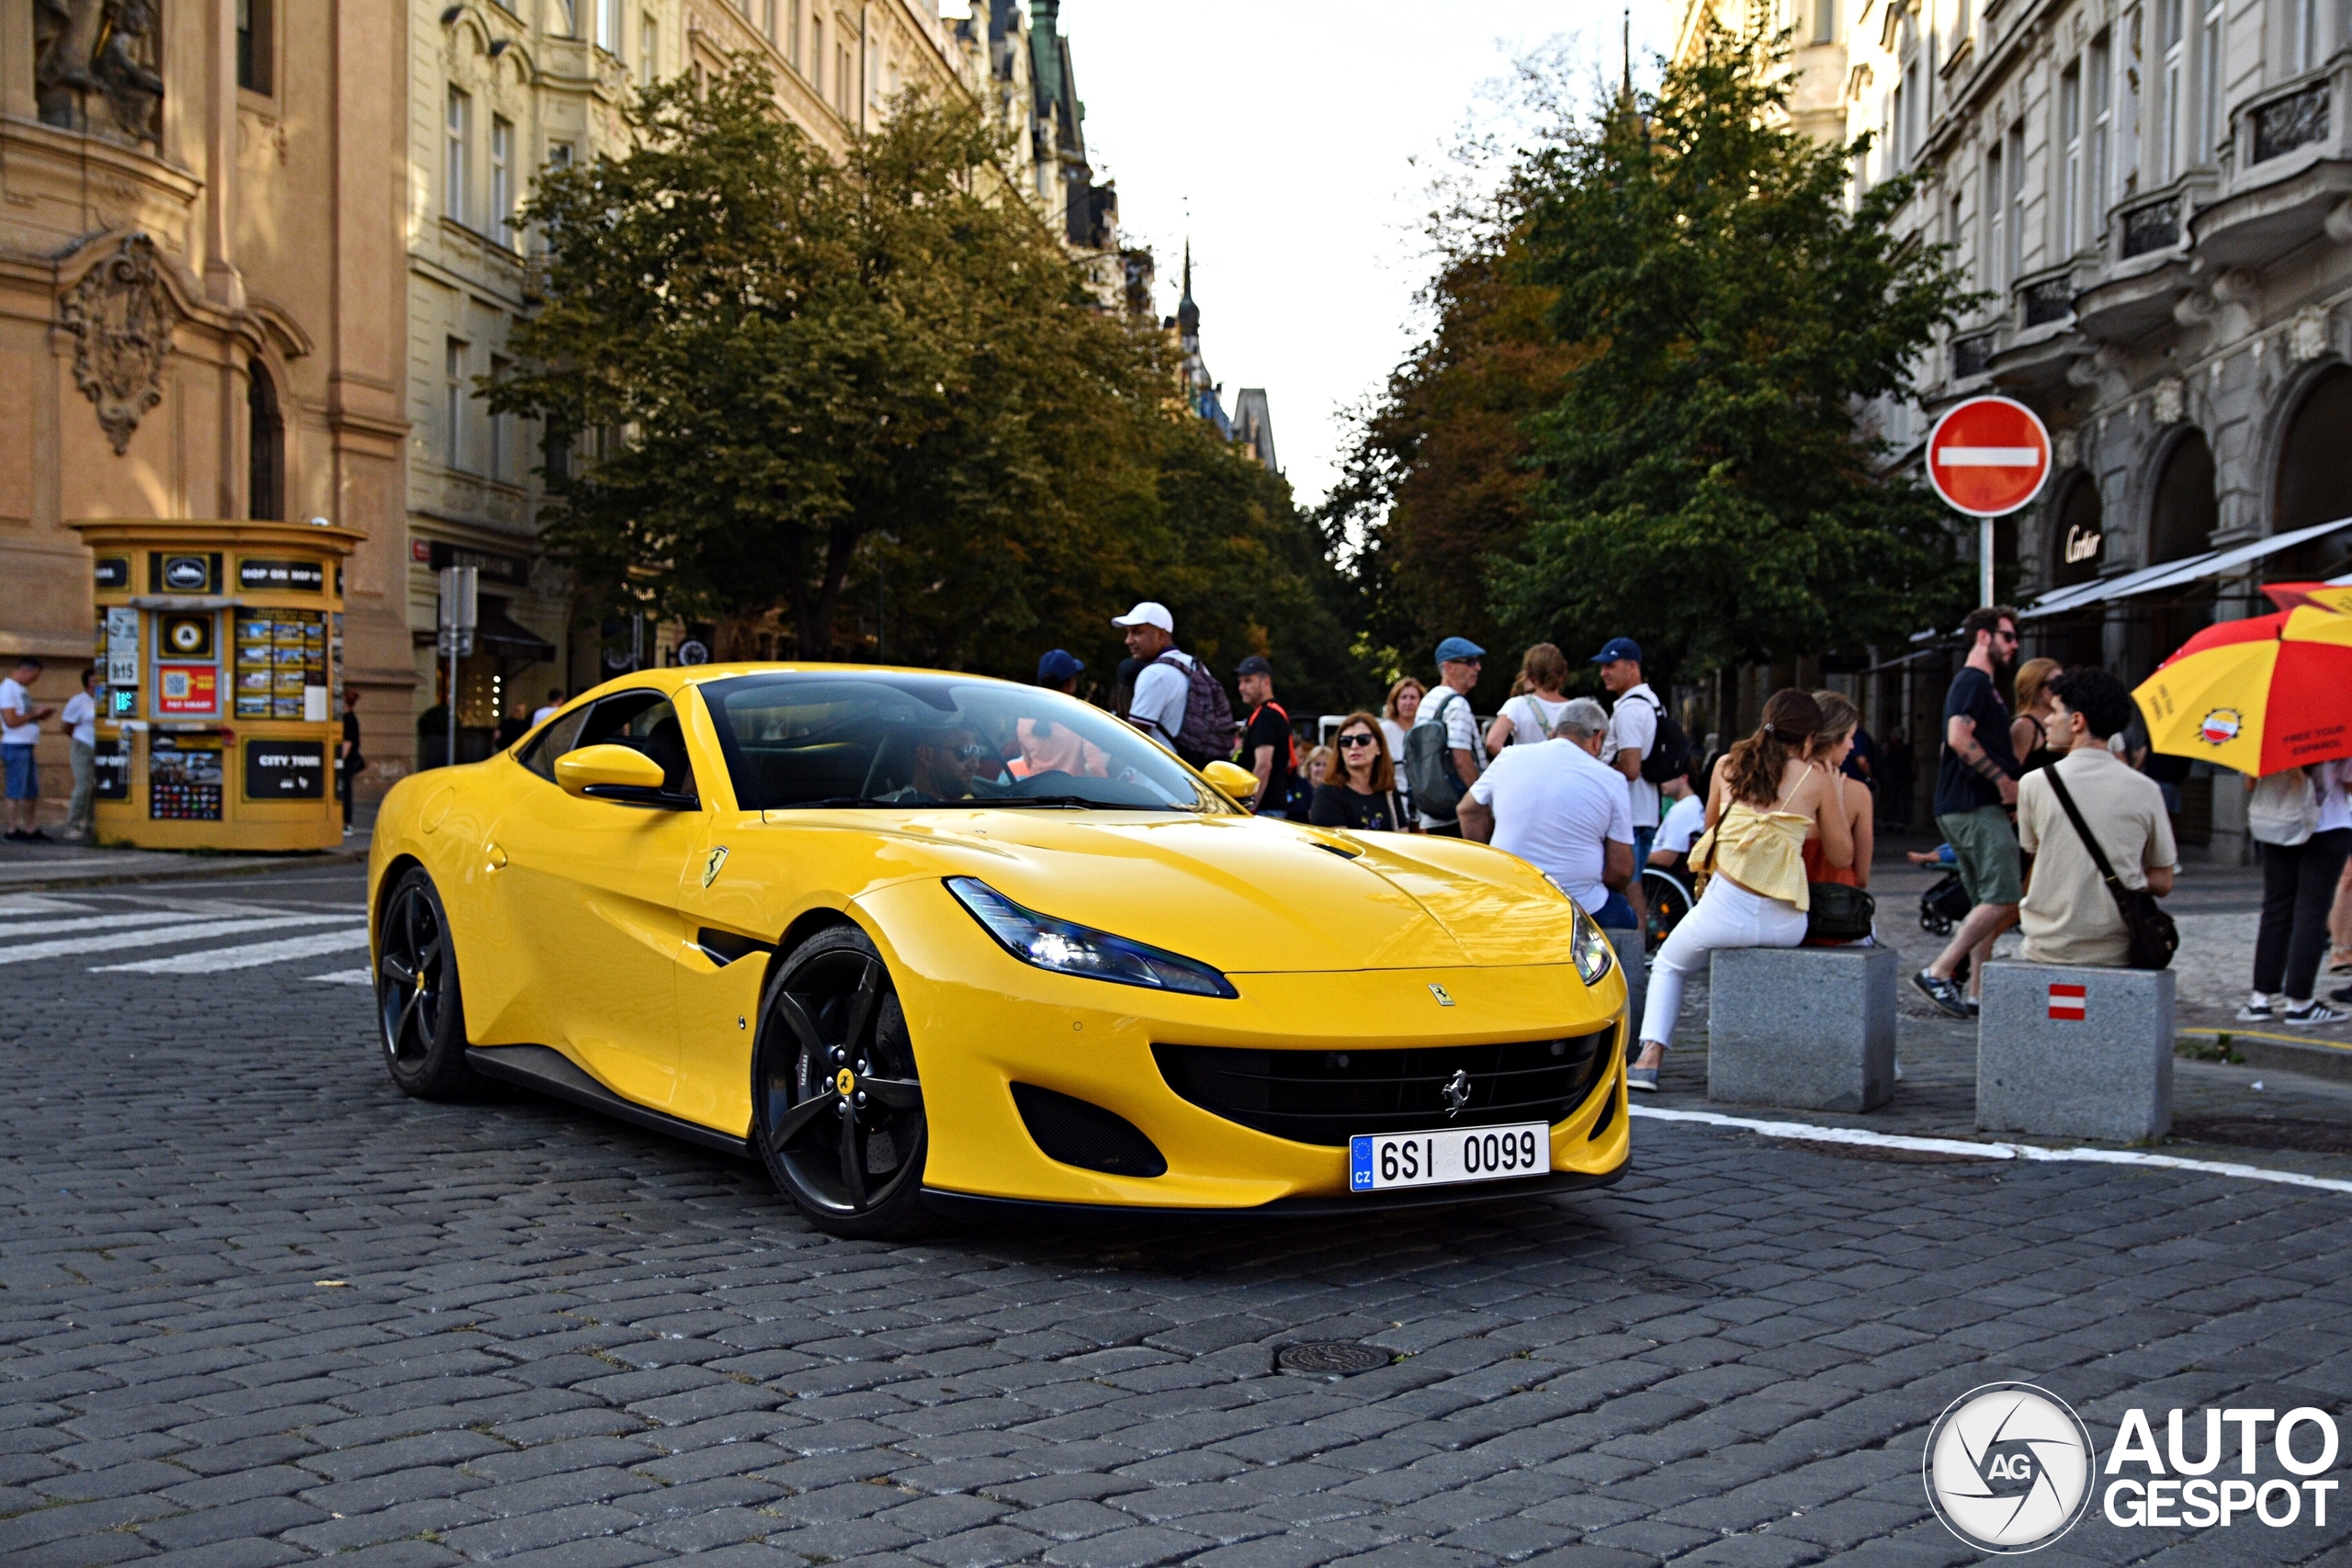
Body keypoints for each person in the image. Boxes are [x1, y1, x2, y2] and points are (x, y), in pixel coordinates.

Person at [1631, 690, 1853, 1091]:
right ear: (1808, 738)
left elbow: (1713, 824)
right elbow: (1841, 856)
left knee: (1668, 964)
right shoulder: (1816, 779)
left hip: (1722, 915)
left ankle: (1649, 1059)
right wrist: (1830, 798)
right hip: (1787, 922)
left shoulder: (1726, 766)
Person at [2015, 668, 2180, 969]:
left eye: (2054, 712)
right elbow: (2163, 881)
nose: (2048, 720)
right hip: (2117, 948)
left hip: (2047, 946)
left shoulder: (2034, 784)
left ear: (2077, 721)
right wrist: (2127, 874)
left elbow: (2034, 858)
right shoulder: (2146, 790)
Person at [1914, 606, 2024, 1018]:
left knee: (1985, 903)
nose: (2014, 646)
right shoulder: (1974, 682)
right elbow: (1958, 738)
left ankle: (1977, 991)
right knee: (2005, 895)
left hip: (1963, 806)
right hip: (1975, 805)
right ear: (1983, 636)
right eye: (2008, 636)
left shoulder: (1978, 685)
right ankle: (1939, 971)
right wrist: (2001, 780)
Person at [1457, 697, 1636, 929]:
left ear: (1554, 731)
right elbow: (1621, 870)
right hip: (1579, 907)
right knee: (1627, 917)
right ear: (1597, 737)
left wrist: (1487, 864)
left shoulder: (1509, 757)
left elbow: (1466, 810)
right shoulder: (1612, 780)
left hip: (1509, 896)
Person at [2239, 756, 2352, 1025]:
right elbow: (2349, 783)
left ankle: (2260, 1000)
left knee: (2276, 909)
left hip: (2279, 824)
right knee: (2312, 913)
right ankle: (2299, 1003)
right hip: (2329, 824)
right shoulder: (2337, 731)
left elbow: (2250, 784)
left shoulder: (2267, 734)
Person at [1113, 601, 1230, 769]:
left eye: (1136, 632)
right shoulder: (1195, 666)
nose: (1128, 641)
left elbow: (1133, 737)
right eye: (1128, 633)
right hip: (1194, 774)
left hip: (1162, 777)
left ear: (1160, 635)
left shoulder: (1154, 674)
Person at [1592, 638, 1665, 873]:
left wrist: (1593, 770)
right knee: (1632, 885)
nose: (1604, 673)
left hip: (1630, 816)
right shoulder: (1652, 702)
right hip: (1647, 811)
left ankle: (1639, 913)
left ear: (1632, 666)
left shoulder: (1630, 709)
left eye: (1611, 665)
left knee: (1627, 887)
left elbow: (1631, 768)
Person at [1413, 637, 1487, 835]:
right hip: (1459, 811)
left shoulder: (1429, 700)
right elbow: (1461, 759)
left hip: (1433, 809)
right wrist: (1480, 798)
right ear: (1449, 667)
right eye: (1470, 662)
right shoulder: (1456, 704)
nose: (1478, 667)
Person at [1806, 692, 1874, 893]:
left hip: (1784, 909)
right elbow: (1862, 877)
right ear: (1831, 740)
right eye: (1850, 737)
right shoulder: (1858, 793)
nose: (1852, 746)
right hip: (1838, 908)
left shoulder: (1779, 784)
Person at [1014, 650, 1107, 780]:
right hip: (1072, 795)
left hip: (1036, 792)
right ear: (1070, 683)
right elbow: (1095, 766)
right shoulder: (1083, 719)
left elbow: (1028, 762)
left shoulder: (1024, 719)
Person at [1310, 712, 1411, 831]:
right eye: (1346, 741)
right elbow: (1339, 845)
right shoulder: (1328, 794)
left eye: (1363, 739)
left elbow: (1402, 838)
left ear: (1379, 747)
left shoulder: (1388, 792)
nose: (1354, 746)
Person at [1234, 655, 1298, 818]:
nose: (1241, 687)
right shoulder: (1271, 713)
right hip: (1270, 807)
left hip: (1264, 810)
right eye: (1240, 681)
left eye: (1248, 681)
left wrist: (1249, 807)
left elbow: (1264, 766)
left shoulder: (1267, 716)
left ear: (1266, 682)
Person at [1485, 643, 1573, 754]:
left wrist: (1517, 763)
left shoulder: (1517, 705)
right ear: (1563, 674)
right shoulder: (1578, 709)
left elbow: (1492, 742)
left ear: (1531, 677)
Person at [2, 656, 54, 841]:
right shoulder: (7, 689)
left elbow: (22, 717)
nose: (35, 680)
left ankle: (30, 828)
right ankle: (11, 829)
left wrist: (37, 716)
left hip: (25, 744)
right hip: (15, 745)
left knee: (31, 789)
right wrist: (35, 714)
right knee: (15, 789)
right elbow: (11, 720)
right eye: (35, 676)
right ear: (26, 670)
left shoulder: (20, 690)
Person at [61, 668, 98, 842]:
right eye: (93, 681)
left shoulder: (115, 698)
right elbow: (66, 725)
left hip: (104, 747)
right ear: (86, 684)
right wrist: (78, 738)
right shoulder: (78, 701)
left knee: (97, 788)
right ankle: (72, 825)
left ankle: (91, 826)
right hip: (83, 745)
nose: (97, 684)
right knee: (83, 786)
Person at [2010, 658, 2065, 774]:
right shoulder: (2025, 726)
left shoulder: (2061, 720)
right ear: (2036, 688)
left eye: (2063, 682)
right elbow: (2013, 772)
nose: (2061, 689)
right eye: (2055, 684)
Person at [1379, 676, 1424, 818]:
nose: (1408, 702)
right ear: (1395, 701)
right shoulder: (1384, 730)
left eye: (1413, 697)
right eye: (1403, 697)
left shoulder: (1426, 731)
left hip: (1424, 805)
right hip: (1394, 803)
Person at [1650, 774, 1704, 873]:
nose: (1661, 782)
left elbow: (1667, 858)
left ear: (1684, 778)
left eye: (1666, 776)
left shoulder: (1683, 810)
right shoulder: (1692, 803)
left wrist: (1638, 857)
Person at [339, 688, 365, 833]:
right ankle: (345, 823)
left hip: (349, 762)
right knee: (344, 790)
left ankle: (347, 823)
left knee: (345, 791)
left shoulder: (349, 719)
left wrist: (339, 761)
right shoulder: (349, 718)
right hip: (350, 761)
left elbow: (347, 744)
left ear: (345, 702)